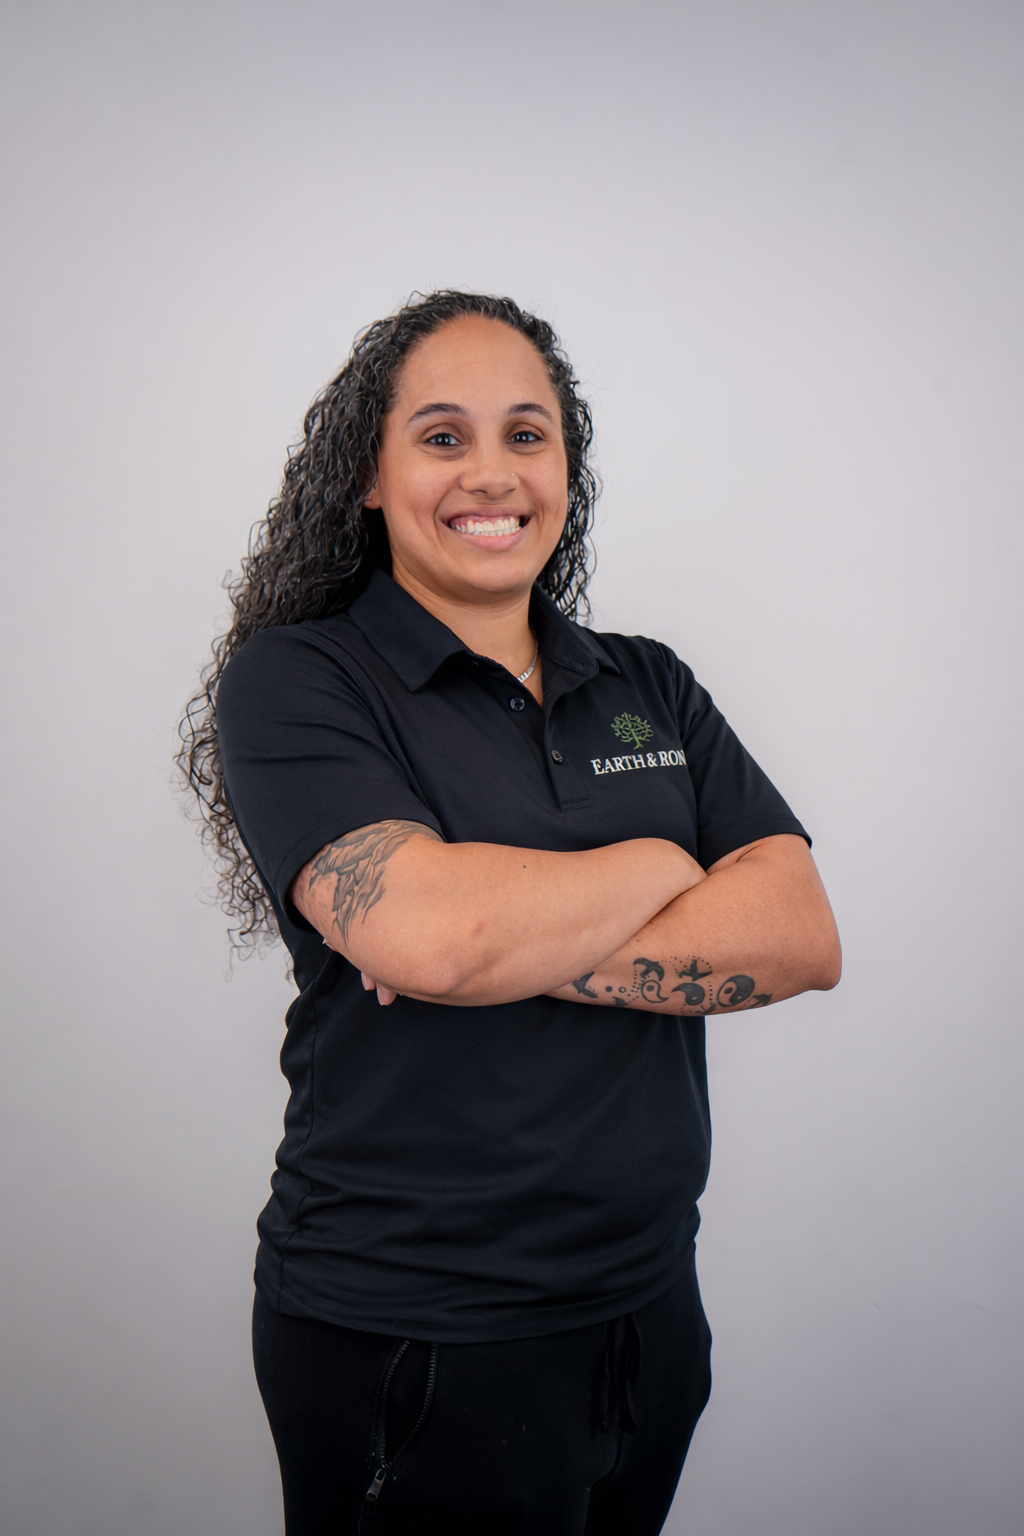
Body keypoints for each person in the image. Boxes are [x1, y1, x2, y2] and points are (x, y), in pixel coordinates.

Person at [179, 290, 841, 1536]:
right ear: (367, 477)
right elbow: (431, 933)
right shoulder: (300, 680)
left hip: (646, 1309)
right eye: (442, 436)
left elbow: (800, 935)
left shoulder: (644, 680)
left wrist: (491, 937)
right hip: (412, 1330)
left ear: (566, 468)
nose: (492, 473)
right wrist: (665, 860)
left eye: (527, 435)